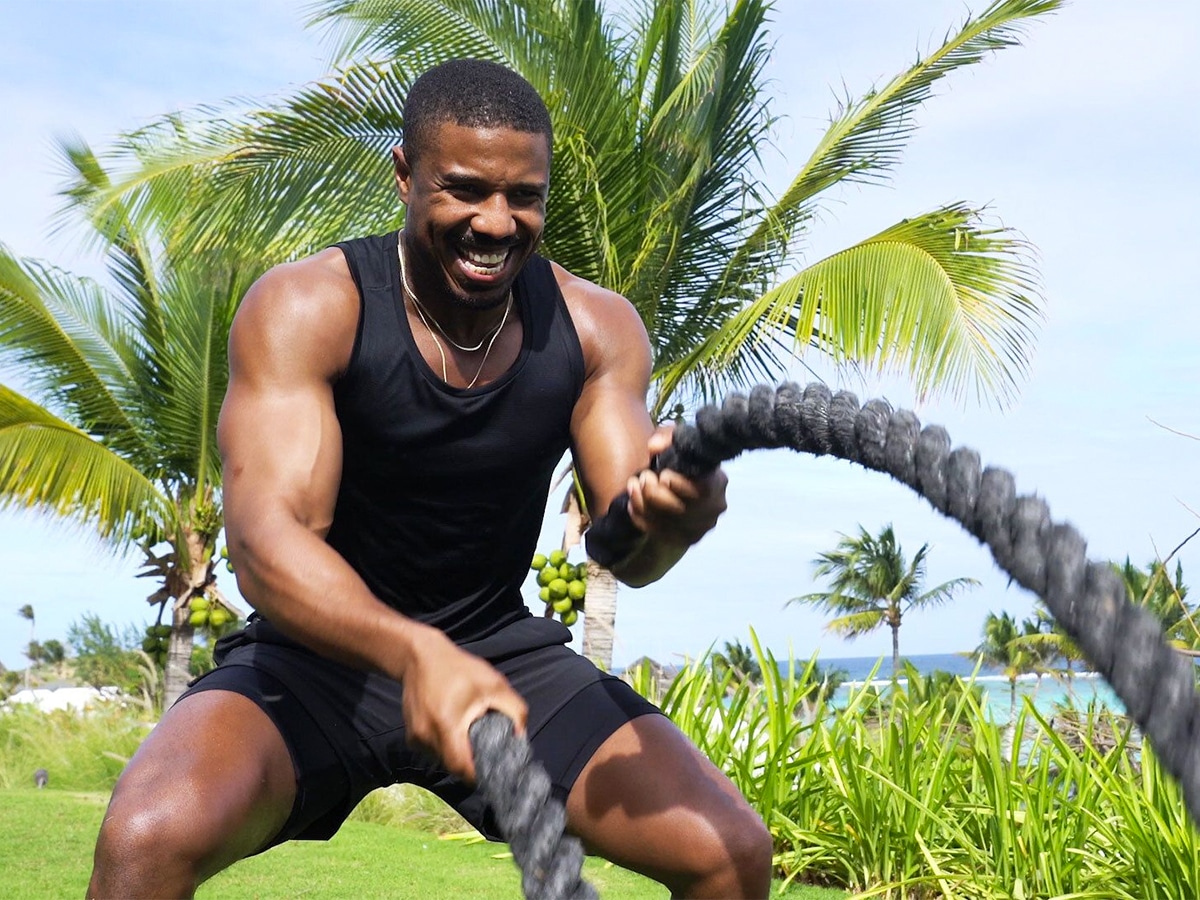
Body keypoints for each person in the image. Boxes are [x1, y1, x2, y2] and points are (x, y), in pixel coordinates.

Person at [87, 58, 772, 899]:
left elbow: (626, 548)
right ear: (406, 175)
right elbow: (265, 547)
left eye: (525, 196)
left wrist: (673, 518)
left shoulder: (597, 328)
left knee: (730, 852)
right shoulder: (310, 307)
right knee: (145, 838)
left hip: (497, 654)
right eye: (465, 190)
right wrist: (415, 656)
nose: (497, 221)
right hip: (317, 656)